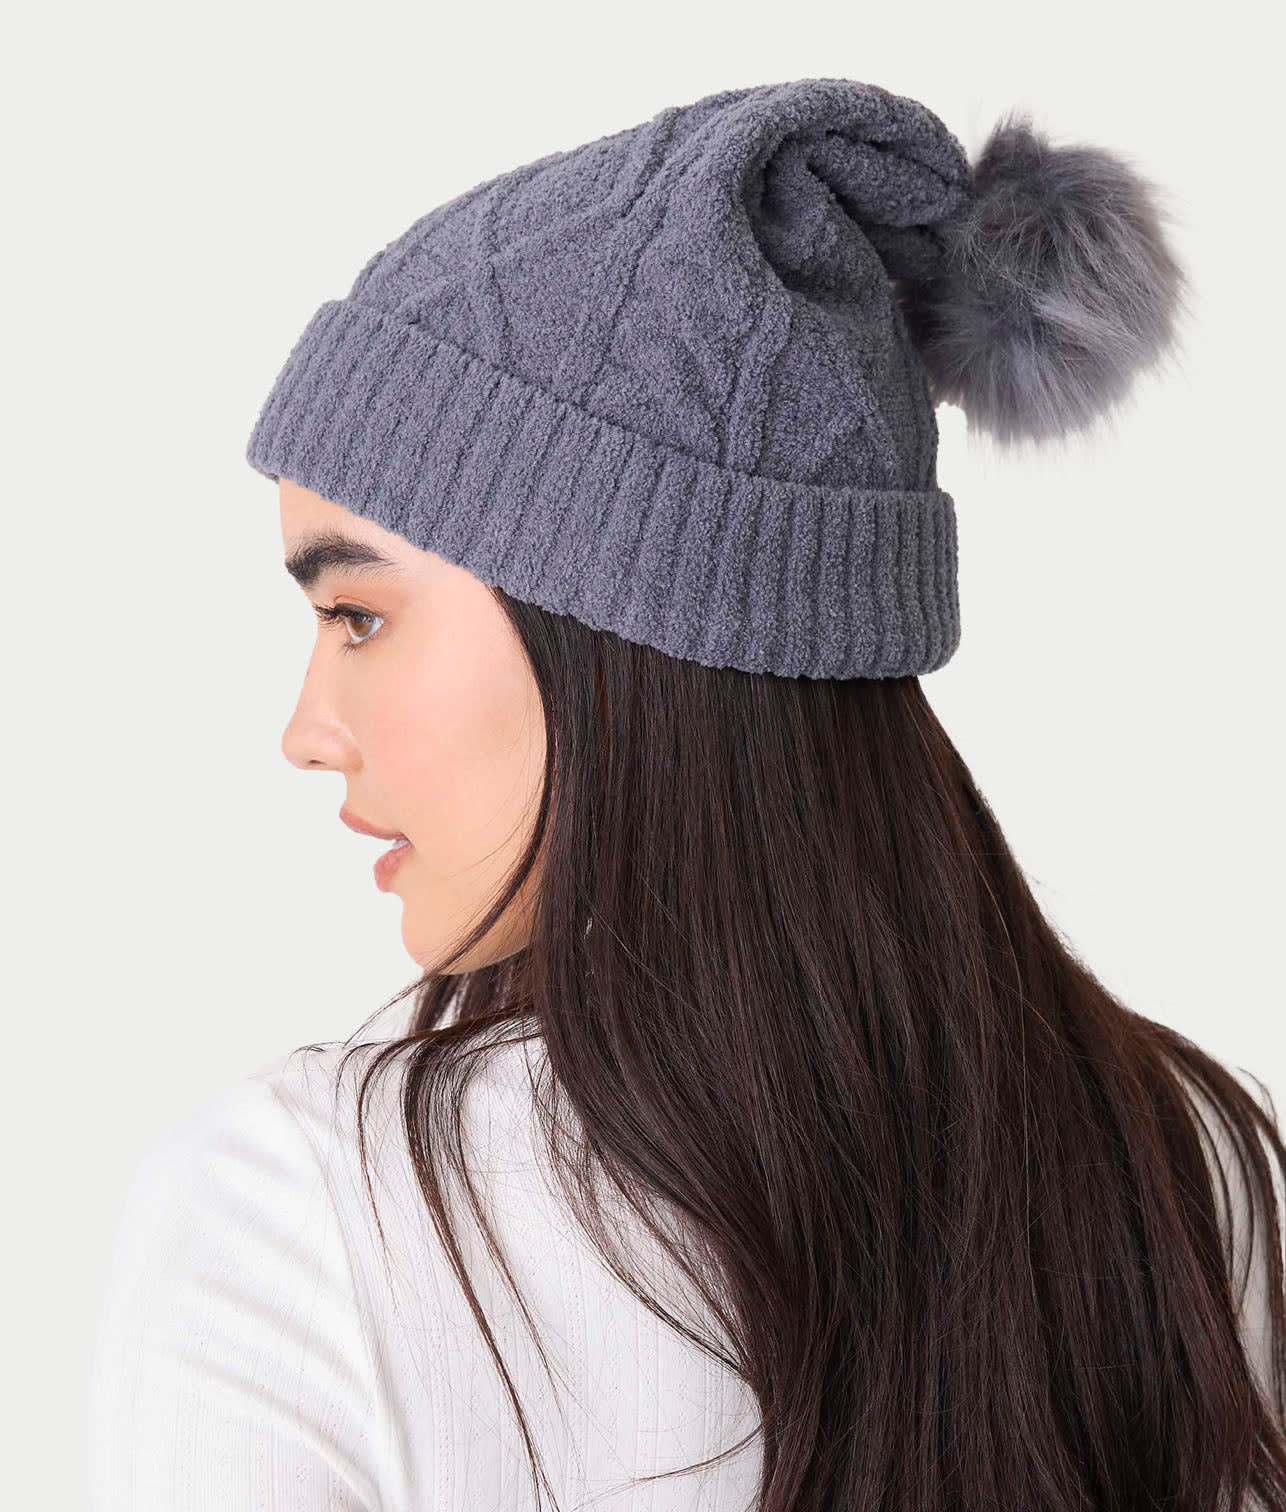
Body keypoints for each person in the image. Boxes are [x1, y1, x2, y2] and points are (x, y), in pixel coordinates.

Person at [88, 77, 1286, 1511]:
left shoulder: (299, 1216)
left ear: (622, 620)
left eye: (359, 615)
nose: (307, 731)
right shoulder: (1185, 1162)